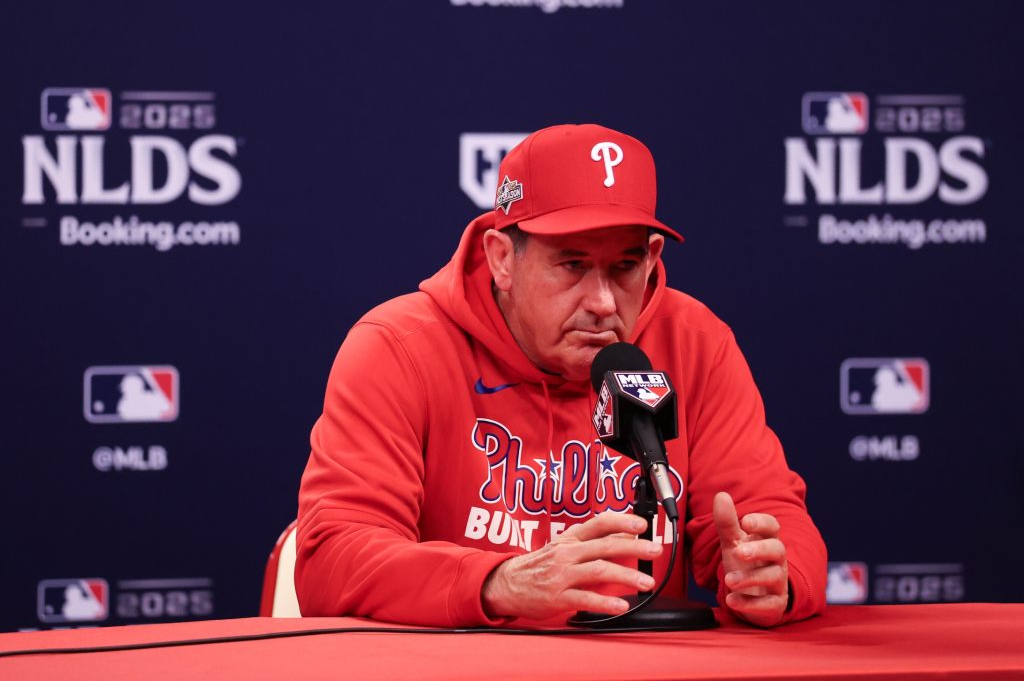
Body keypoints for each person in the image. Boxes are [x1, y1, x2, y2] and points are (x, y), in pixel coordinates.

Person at [296, 123, 827, 628]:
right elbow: (332, 556)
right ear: (502, 258)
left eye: (624, 267)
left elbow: (770, 516)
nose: (601, 303)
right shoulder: (399, 347)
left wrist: (774, 576)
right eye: (572, 265)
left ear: (652, 258)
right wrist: (497, 583)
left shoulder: (695, 344)